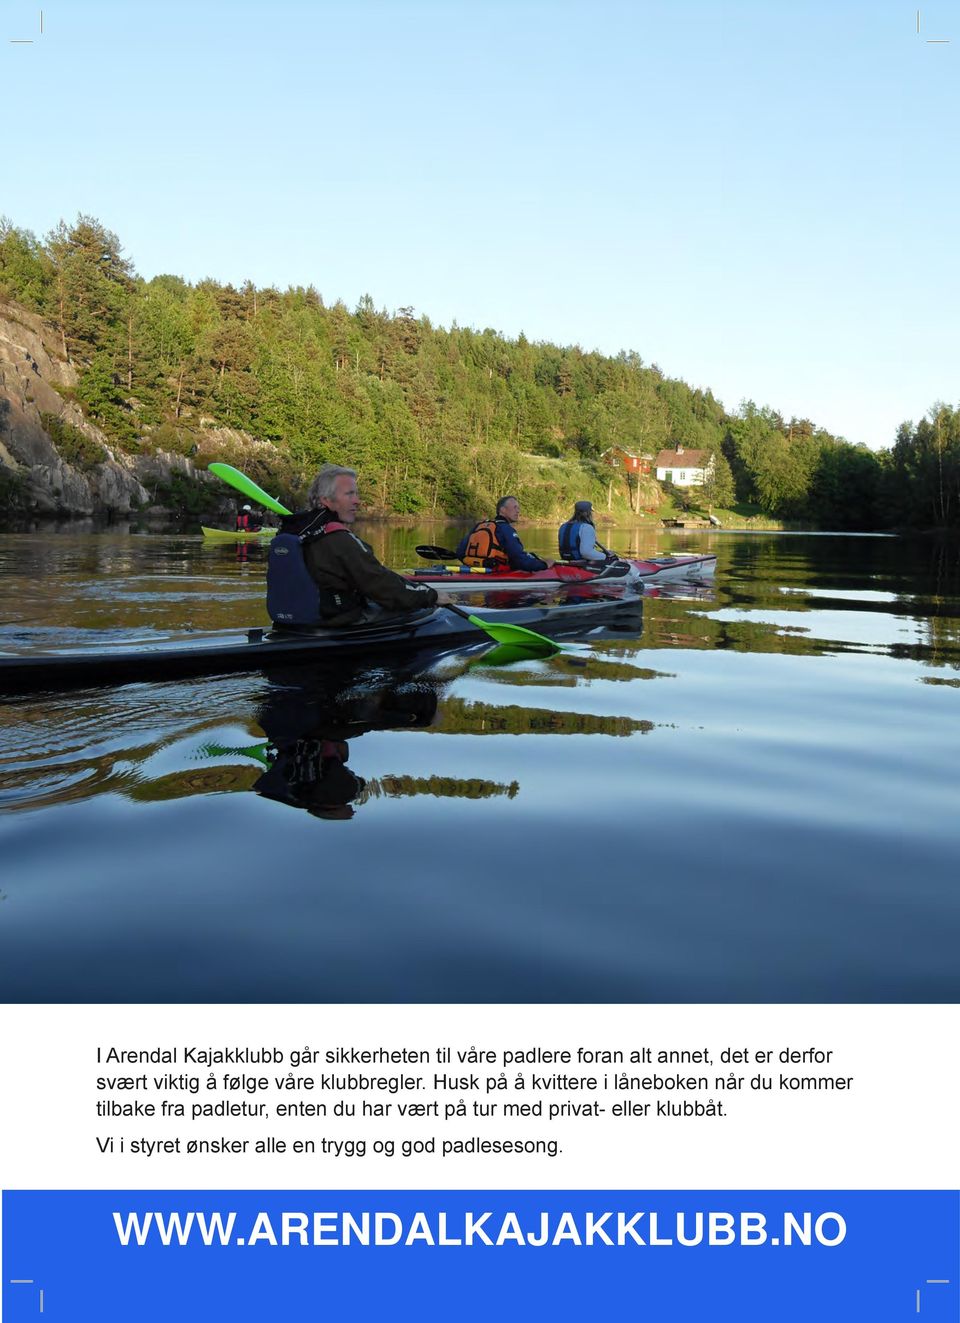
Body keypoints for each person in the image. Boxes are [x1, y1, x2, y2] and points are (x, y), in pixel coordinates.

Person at [267, 464, 450, 627]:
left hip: (291, 622)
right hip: (335, 620)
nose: (357, 500)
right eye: (349, 494)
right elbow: (381, 584)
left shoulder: (293, 532)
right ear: (326, 500)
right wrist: (431, 596)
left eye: (356, 493)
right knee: (419, 612)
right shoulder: (338, 538)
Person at [457, 495, 550, 572]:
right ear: (503, 510)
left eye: (518, 508)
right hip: (495, 573)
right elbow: (519, 560)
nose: (518, 511)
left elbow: (460, 552)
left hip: (474, 570)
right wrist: (544, 565)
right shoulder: (506, 529)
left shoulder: (480, 525)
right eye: (515, 507)